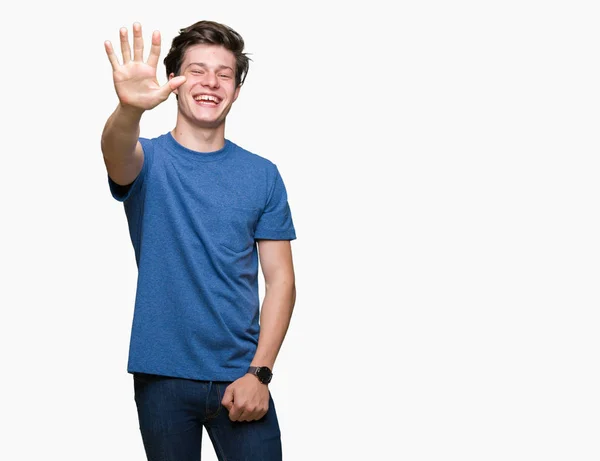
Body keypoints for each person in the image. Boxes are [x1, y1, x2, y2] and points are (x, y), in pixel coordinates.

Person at [101, 19, 297, 461]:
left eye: (224, 74)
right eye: (197, 70)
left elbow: (281, 281)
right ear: (174, 81)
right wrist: (130, 108)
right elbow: (115, 152)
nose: (210, 82)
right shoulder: (147, 160)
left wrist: (260, 373)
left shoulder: (263, 175)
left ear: (237, 89)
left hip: (241, 377)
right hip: (162, 377)